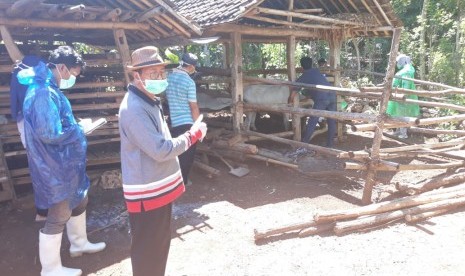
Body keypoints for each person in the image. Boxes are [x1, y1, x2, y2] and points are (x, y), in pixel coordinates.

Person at [118, 46, 207, 276]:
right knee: (149, 250)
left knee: (157, 247)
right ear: (137, 75)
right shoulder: (134, 109)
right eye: (153, 73)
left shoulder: (149, 100)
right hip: (147, 191)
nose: (159, 78)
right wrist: (192, 135)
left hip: (155, 186)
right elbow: (160, 149)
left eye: (161, 72)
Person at [18, 45, 106, 276]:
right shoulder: (42, 93)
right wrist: (79, 129)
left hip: (65, 163)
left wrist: (75, 127)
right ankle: (50, 268)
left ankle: (79, 244)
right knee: (58, 215)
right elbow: (49, 133)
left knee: (80, 201)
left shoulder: (49, 88)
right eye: (73, 73)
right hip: (54, 167)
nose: (73, 78)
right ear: (61, 67)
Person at [10, 55, 49, 221]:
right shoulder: (36, 80)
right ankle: (46, 210)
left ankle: (43, 211)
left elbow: (14, 103)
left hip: (26, 122)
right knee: (44, 165)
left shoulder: (18, 74)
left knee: (38, 166)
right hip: (34, 123)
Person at [165, 52, 200, 185]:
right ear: (190, 66)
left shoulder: (170, 78)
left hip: (174, 122)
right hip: (187, 122)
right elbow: (193, 106)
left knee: (177, 152)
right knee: (188, 154)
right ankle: (182, 181)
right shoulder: (189, 82)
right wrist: (198, 126)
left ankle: (174, 179)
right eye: (194, 67)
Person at [289, 57, 337, 147]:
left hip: (322, 98)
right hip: (332, 95)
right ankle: (330, 144)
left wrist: (289, 101)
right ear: (311, 64)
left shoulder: (304, 76)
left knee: (313, 120)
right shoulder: (316, 71)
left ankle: (304, 143)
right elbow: (312, 89)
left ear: (302, 67)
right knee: (331, 120)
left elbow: (294, 91)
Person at [386, 54, 420, 139]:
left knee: (403, 114)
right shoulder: (408, 70)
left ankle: (403, 133)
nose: (397, 64)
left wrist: (404, 95)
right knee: (399, 114)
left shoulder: (405, 72)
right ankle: (398, 131)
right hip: (399, 96)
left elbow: (406, 85)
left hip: (403, 97)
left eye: (398, 62)